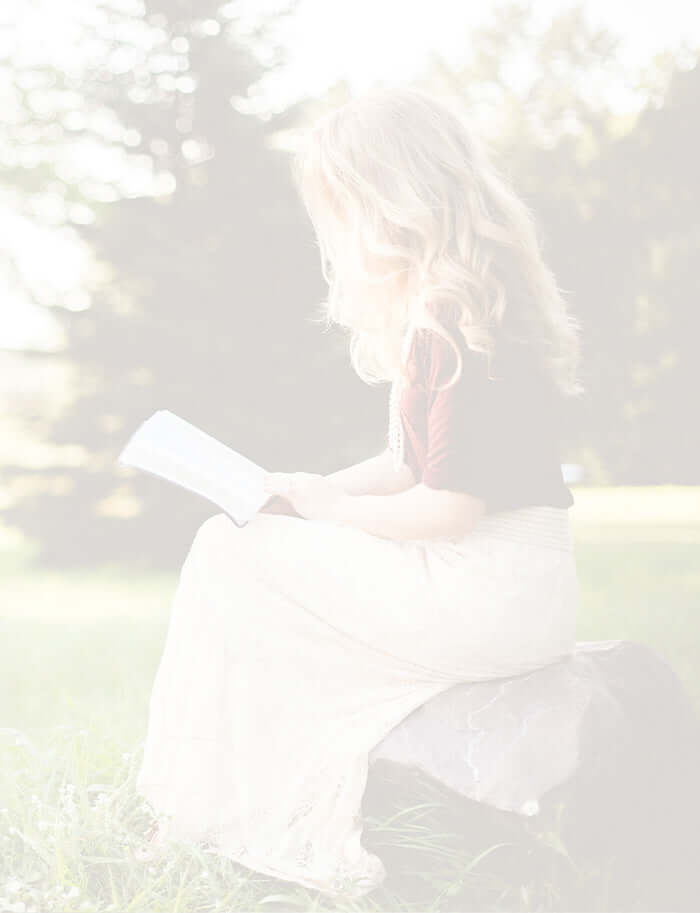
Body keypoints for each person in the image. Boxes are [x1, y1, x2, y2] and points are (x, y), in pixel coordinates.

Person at [134, 86, 584, 899]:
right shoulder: (463, 298)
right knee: (239, 545)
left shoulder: (451, 315)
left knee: (225, 554)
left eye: (341, 207)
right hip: (512, 583)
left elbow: (448, 510)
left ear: (389, 201)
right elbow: (404, 461)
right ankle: (201, 807)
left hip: (488, 587)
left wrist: (330, 513)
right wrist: (301, 489)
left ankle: (193, 812)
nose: (335, 233)